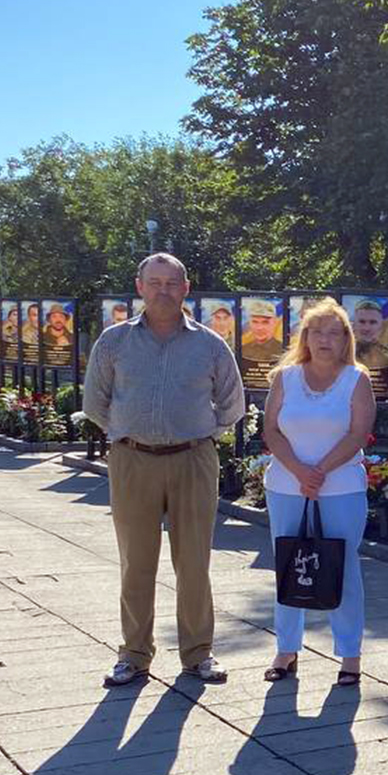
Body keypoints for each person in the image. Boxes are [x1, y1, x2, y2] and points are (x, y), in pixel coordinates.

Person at [82, 253, 245, 688]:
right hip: (132, 459)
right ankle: (134, 654)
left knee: (194, 562)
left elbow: (232, 404)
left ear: (186, 288)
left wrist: (201, 433)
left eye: (172, 283)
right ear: (139, 287)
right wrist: (128, 431)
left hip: (193, 459)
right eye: (154, 283)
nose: (163, 291)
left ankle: (198, 653)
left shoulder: (210, 345)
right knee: (136, 562)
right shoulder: (114, 342)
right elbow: (94, 402)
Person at [259, 297, 375, 686]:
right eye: (317, 332)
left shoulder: (356, 379)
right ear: (305, 336)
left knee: (344, 567)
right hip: (286, 487)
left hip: (341, 488)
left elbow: (357, 433)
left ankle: (350, 655)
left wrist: (319, 472)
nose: (325, 339)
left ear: (346, 339)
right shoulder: (285, 378)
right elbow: (271, 430)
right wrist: (299, 471)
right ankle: (286, 650)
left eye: (334, 333)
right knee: (288, 564)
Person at [350, 299, 388, 396]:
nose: (367, 328)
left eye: (373, 322)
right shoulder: (343, 355)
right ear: (354, 325)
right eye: (362, 322)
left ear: (381, 326)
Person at [241, 297, 282, 364]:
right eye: (255, 322)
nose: (259, 328)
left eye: (265, 322)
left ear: (274, 322)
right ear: (249, 323)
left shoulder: (283, 350)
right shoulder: (243, 350)